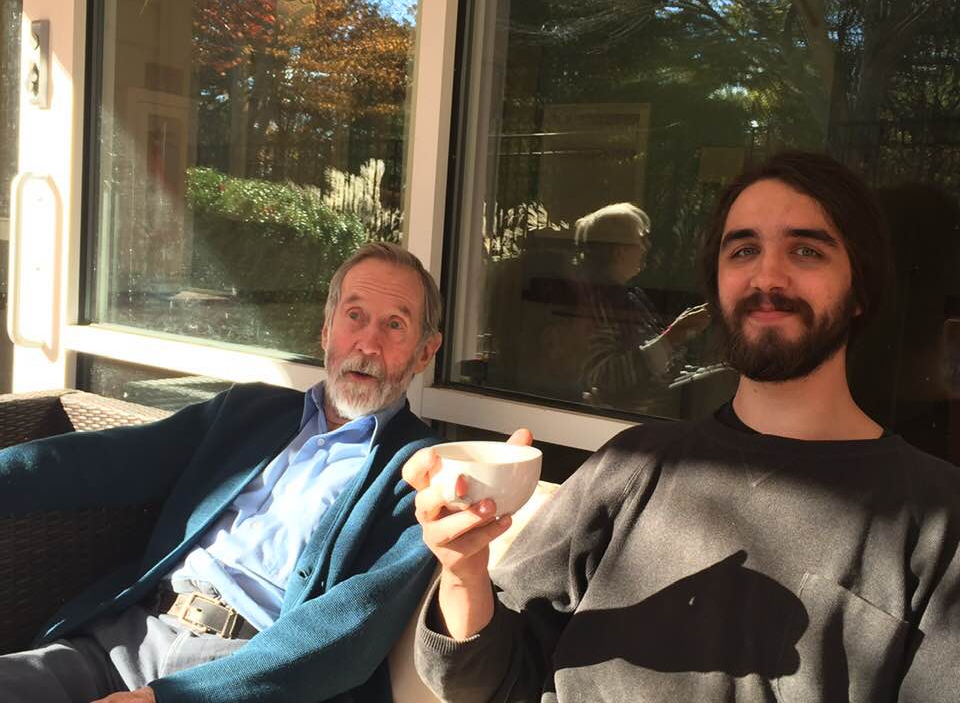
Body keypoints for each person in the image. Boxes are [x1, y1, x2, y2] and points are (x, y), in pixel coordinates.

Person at [405, 151, 960, 702]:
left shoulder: (937, 519)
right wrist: (463, 571)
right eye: (743, 250)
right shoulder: (629, 467)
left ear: (861, 289)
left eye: (807, 250)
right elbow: (485, 678)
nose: (767, 276)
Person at [0, 242, 443, 703]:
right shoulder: (250, 411)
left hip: (241, 678)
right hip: (127, 640)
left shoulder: (418, 469)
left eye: (395, 325)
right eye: (354, 316)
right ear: (327, 329)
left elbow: (347, 631)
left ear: (425, 352)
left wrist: (163, 698)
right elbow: (107, 461)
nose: (368, 344)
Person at [573, 202, 710, 408]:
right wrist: (674, 335)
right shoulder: (598, 302)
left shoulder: (629, 296)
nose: (647, 247)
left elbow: (661, 361)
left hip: (663, 397)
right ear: (619, 251)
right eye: (641, 239)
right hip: (642, 410)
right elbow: (604, 378)